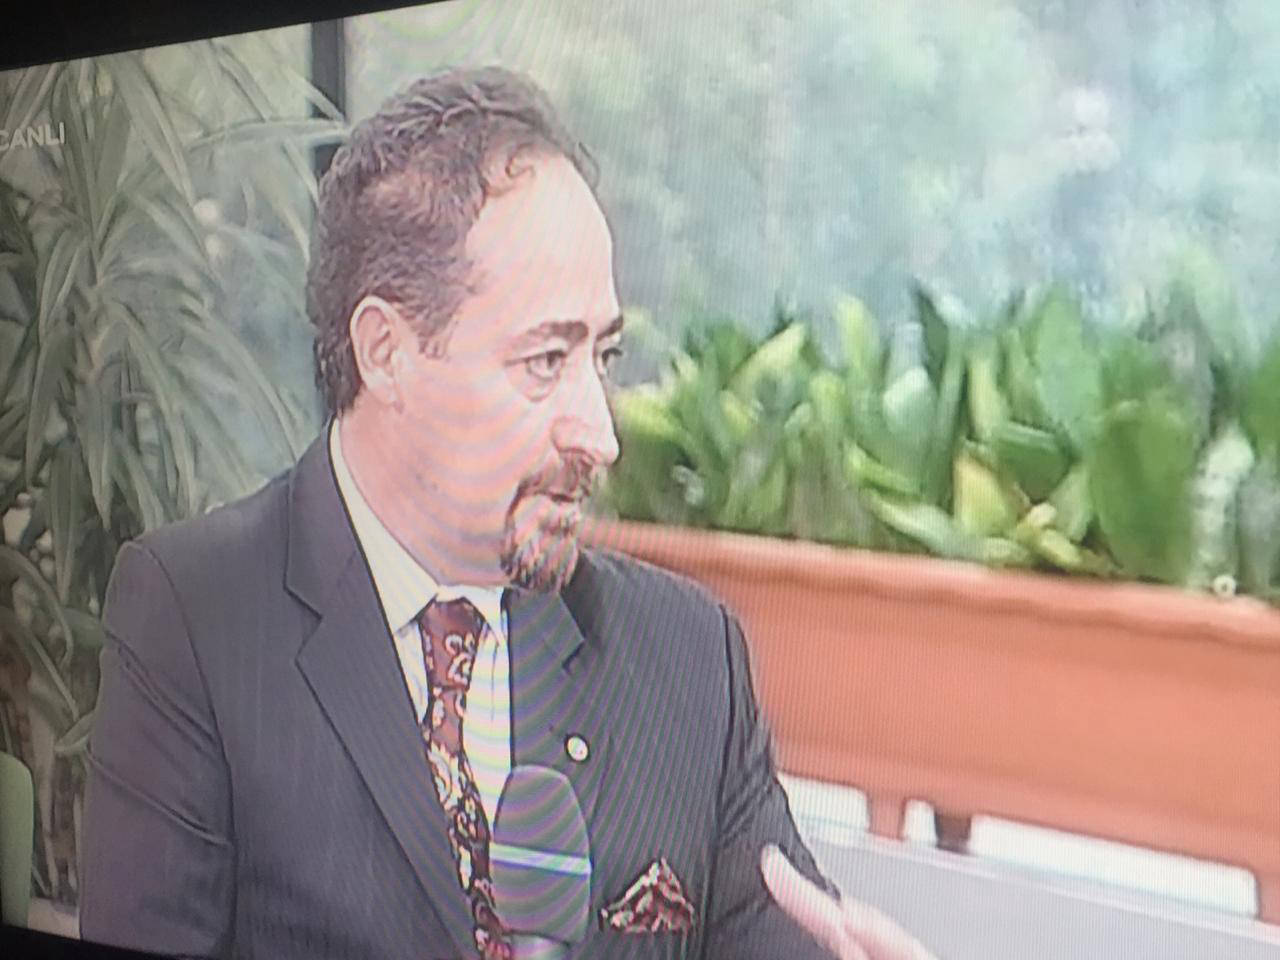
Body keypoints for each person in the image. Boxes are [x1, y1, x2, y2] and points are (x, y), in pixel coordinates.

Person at [79, 67, 936, 960]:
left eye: (603, 357)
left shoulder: (690, 661)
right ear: (387, 352)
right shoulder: (197, 620)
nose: (600, 435)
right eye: (544, 362)